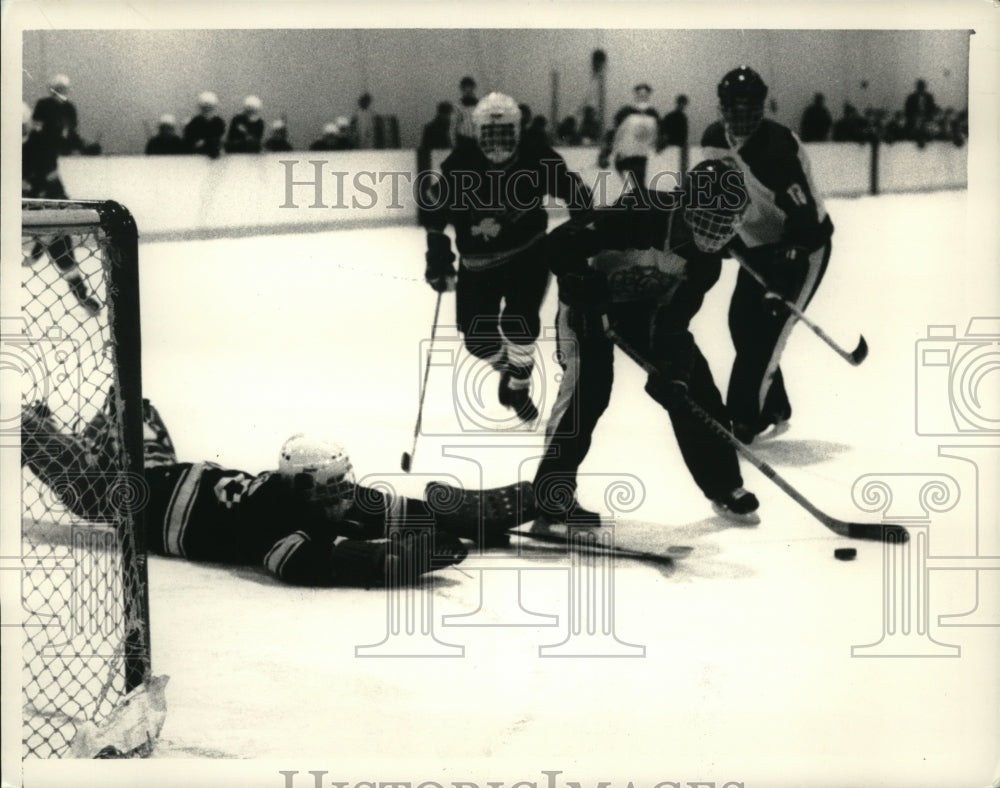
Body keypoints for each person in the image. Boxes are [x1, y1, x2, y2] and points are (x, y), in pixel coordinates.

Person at [20, 398, 468, 587]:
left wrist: (454, 514)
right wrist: (389, 559)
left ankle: (74, 440)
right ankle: (33, 428)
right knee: (75, 476)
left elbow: (371, 506)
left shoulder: (300, 492)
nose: (343, 496)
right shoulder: (270, 517)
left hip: (159, 474)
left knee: (136, 409)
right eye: (333, 489)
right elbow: (304, 562)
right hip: (127, 500)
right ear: (307, 489)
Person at [531, 159, 760, 528]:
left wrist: (674, 373)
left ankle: (724, 485)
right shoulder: (637, 213)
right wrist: (580, 279)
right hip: (589, 307)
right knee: (588, 390)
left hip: (644, 311)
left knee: (695, 386)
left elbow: (673, 324)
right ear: (685, 204)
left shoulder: (706, 263)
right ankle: (551, 494)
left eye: (724, 221)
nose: (715, 230)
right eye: (709, 216)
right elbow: (558, 244)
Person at [421, 91, 593, 424]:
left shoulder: (536, 156)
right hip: (476, 265)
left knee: (519, 322)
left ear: (517, 130)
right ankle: (511, 374)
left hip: (528, 254)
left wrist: (582, 230)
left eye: (504, 133)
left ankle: (519, 386)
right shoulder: (460, 163)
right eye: (490, 134)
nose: (497, 143)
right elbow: (435, 211)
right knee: (477, 339)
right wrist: (437, 254)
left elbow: (572, 189)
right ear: (478, 132)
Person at [700, 66, 834, 444]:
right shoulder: (714, 139)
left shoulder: (776, 150)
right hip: (758, 244)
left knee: (767, 334)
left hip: (804, 245)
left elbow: (804, 218)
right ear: (722, 108)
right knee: (741, 323)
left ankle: (744, 420)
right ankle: (774, 406)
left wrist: (784, 275)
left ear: (762, 107)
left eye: (750, 108)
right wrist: (722, 229)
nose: (742, 117)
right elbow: (718, 190)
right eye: (734, 108)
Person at [23, 76, 100, 316]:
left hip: (44, 204)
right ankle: (82, 295)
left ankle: (82, 295)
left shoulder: (39, 144)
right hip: (39, 205)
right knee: (60, 247)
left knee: (62, 251)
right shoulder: (37, 142)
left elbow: (64, 139)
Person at [598, 83, 661, 186]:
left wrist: (657, 145)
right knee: (627, 183)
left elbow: (657, 133)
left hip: (642, 154)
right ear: (636, 95)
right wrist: (606, 153)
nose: (642, 97)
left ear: (648, 96)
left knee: (639, 184)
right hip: (626, 154)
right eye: (640, 94)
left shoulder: (652, 113)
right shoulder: (626, 112)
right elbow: (615, 132)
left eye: (645, 94)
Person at [183, 92, 226, 158]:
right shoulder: (194, 122)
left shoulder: (218, 122)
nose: (207, 109)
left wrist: (207, 142)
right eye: (205, 107)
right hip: (197, 155)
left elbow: (219, 138)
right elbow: (189, 141)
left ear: (213, 107)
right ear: (201, 107)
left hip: (214, 154)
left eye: (209, 107)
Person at [904, 79, 937, 146]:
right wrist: (914, 117)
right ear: (917, 87)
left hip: (927, 119)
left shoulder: (929, 97)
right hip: (914, 119)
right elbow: (907, 110)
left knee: (931, 128)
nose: (921, 89)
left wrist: (927, 117)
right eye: (919, 87)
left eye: (922, 87)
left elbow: (932, 109)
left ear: (925, 87)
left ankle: (926, 139)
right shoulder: (911, 97)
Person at [453, 76, 479, 149]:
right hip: (462, 141)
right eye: (465, 87)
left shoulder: (480, 105)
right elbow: (454, 126)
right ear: (462, 89)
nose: (468, 90)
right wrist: (455, 143)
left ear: (473, 88)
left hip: (476, 140)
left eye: (469, 87)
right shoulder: (458, 106)